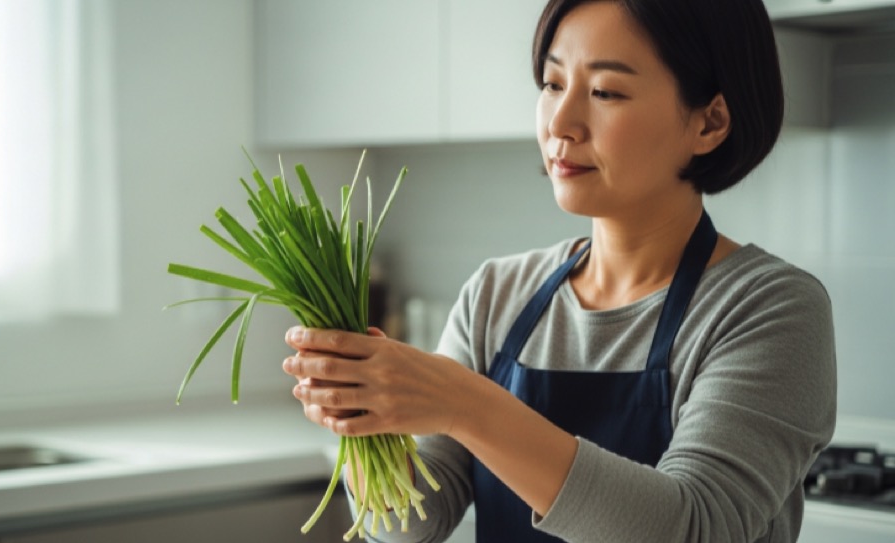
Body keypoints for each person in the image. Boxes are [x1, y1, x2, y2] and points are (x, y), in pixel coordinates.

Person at [281, 0, 837, 541]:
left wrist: (465, 404)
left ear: (710, 122)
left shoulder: (769, 308)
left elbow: (693, 529)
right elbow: (408, 525)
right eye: (551, 84)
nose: (561, 123)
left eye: (605, 91)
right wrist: (358, 420)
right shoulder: (498, 294)